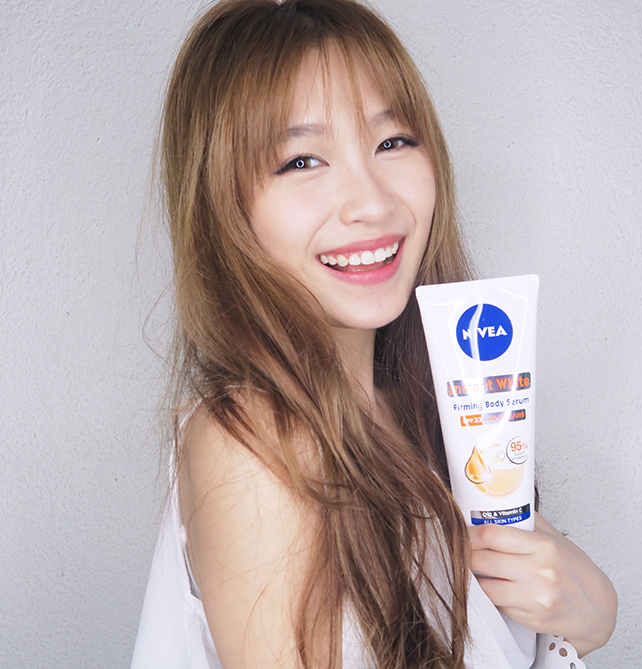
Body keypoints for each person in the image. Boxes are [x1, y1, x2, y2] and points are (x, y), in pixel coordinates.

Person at [131, 0, 617, 667]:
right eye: (302, 161)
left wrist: (586, 615)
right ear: (226, 207)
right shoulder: (254, 440)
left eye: (392, 142)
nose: (372, 202)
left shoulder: (428, 421)